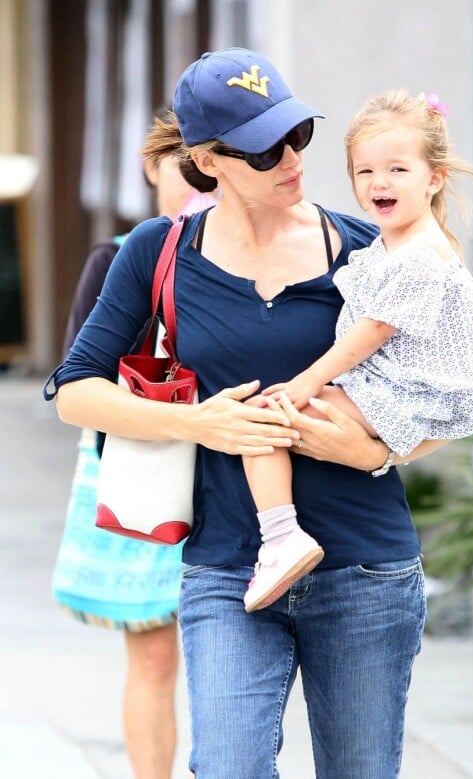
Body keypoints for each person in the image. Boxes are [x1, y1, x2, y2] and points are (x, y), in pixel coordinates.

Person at [44, 47, 457, 778]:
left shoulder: (366, 249)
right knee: (228, 765)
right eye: (265, 149)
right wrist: (199, 423)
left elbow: (450, 395)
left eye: (297, 134)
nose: (292, 158)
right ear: (209, 159)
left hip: (365, 566)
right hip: (229, 566)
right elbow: (77, 389)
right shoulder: (157, 252)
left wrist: (377, 451)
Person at [240, 88, 473, 612]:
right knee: (270, 417)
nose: (379, 182)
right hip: (408, 385)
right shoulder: (391, 245)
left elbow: (370, 331)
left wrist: (306, 383)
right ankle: (282, 536)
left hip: (420, 390)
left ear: (434, 178)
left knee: (264, 418)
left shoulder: (420, 254)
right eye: (365, 172)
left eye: (397, 170)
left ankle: (281, 537)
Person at [53, 107, 217, 779]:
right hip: (142, 474)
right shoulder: (119, 259)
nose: (196, 185)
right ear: (152, 169)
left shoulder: (246, 257)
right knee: (153, 655)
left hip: (231, 478)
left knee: (225, 654)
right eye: (183, 170)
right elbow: (79, 384)